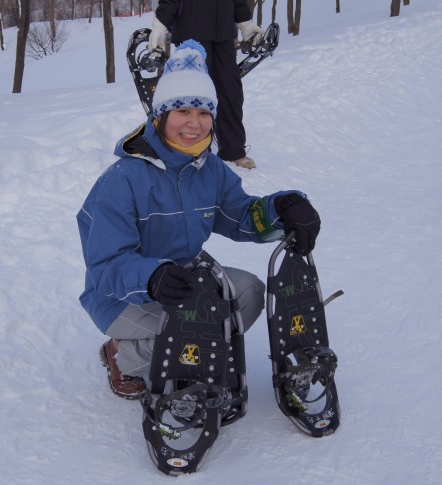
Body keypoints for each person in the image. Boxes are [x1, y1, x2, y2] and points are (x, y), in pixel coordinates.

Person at [77, 40, 322, 399]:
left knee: (249, 294)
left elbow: (240, 216)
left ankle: (191, 352)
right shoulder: (121, 181)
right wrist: (152, 275)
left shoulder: (210, 170)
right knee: (190, 335)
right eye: (182, 112)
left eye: (204, 113)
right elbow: (105, 267)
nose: (194, 124)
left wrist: (282, 208)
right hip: (123, 295)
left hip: (184, 280)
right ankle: (122, 355)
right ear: (159, 116)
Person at [148, 0, 264, 170]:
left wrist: (245, 23)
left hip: (223, 34)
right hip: (191, 33)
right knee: (194, 96)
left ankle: (233, 151)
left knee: (231, 92)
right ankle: (195, 153)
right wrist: (160, 24)